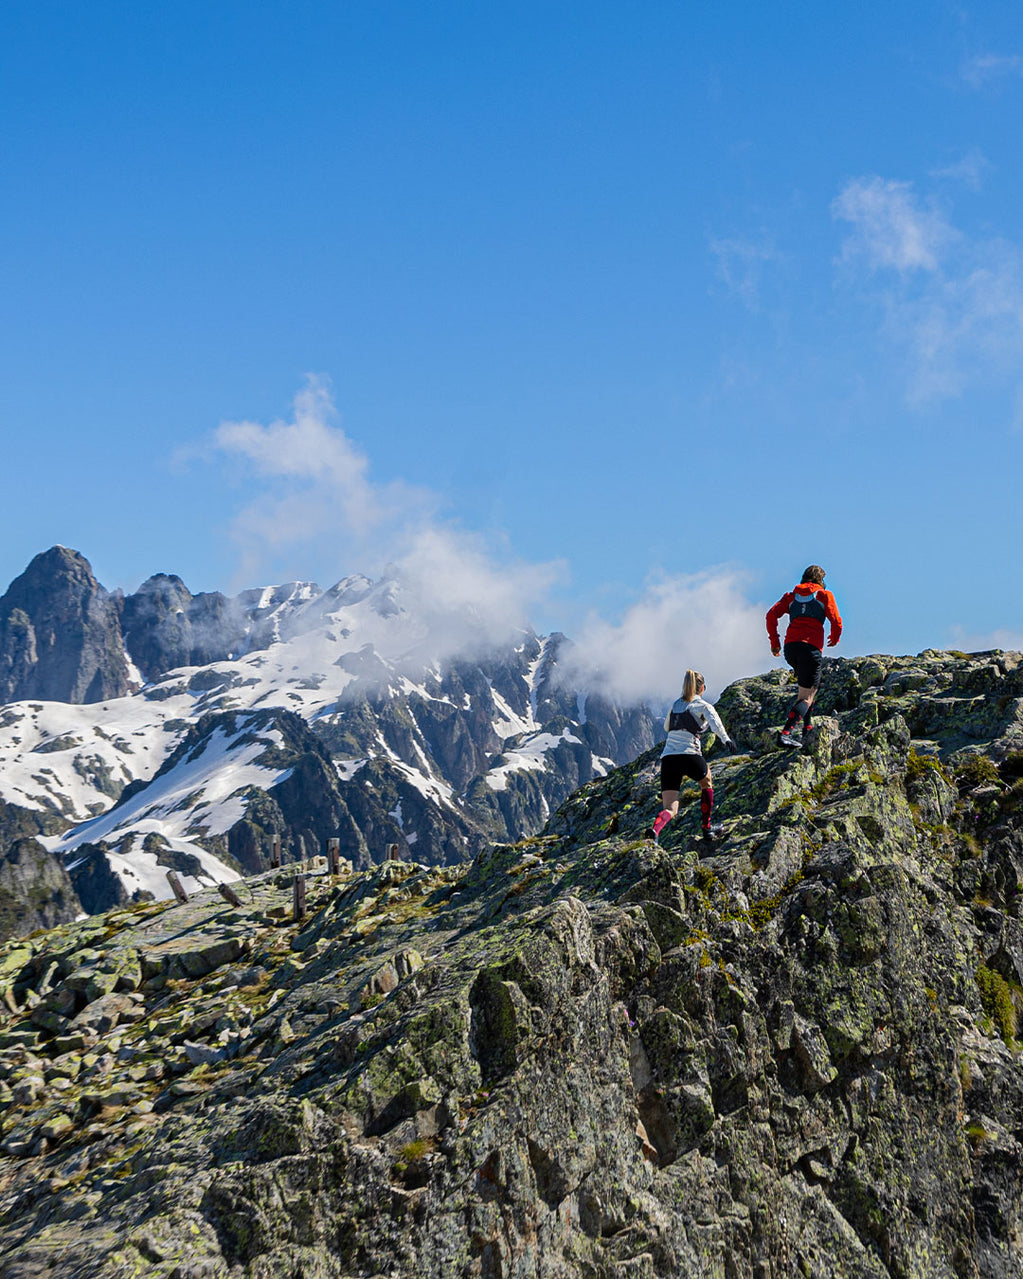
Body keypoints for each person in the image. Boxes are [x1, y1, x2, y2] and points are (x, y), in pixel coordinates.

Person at [646, 669, 736, 845]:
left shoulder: (675, 705)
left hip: (669, 758)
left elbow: (666, 727)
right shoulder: (703, 706)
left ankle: (655, 831)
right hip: (689, 754)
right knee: (706, 783)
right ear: (702, 688)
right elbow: (715, 724)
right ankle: (707, 828)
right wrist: (727, 741)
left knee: (671, 808)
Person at [765, 564, 842, 748]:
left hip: (791, 648)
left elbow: (771, 616)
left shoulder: (791, 596)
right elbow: (836, 621)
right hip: (811, 648)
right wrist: (835, 637)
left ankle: (807, 728)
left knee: (809, 687)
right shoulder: (824, 595)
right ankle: (786, 733)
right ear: (820, 581)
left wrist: (774, 642)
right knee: (806, 696)